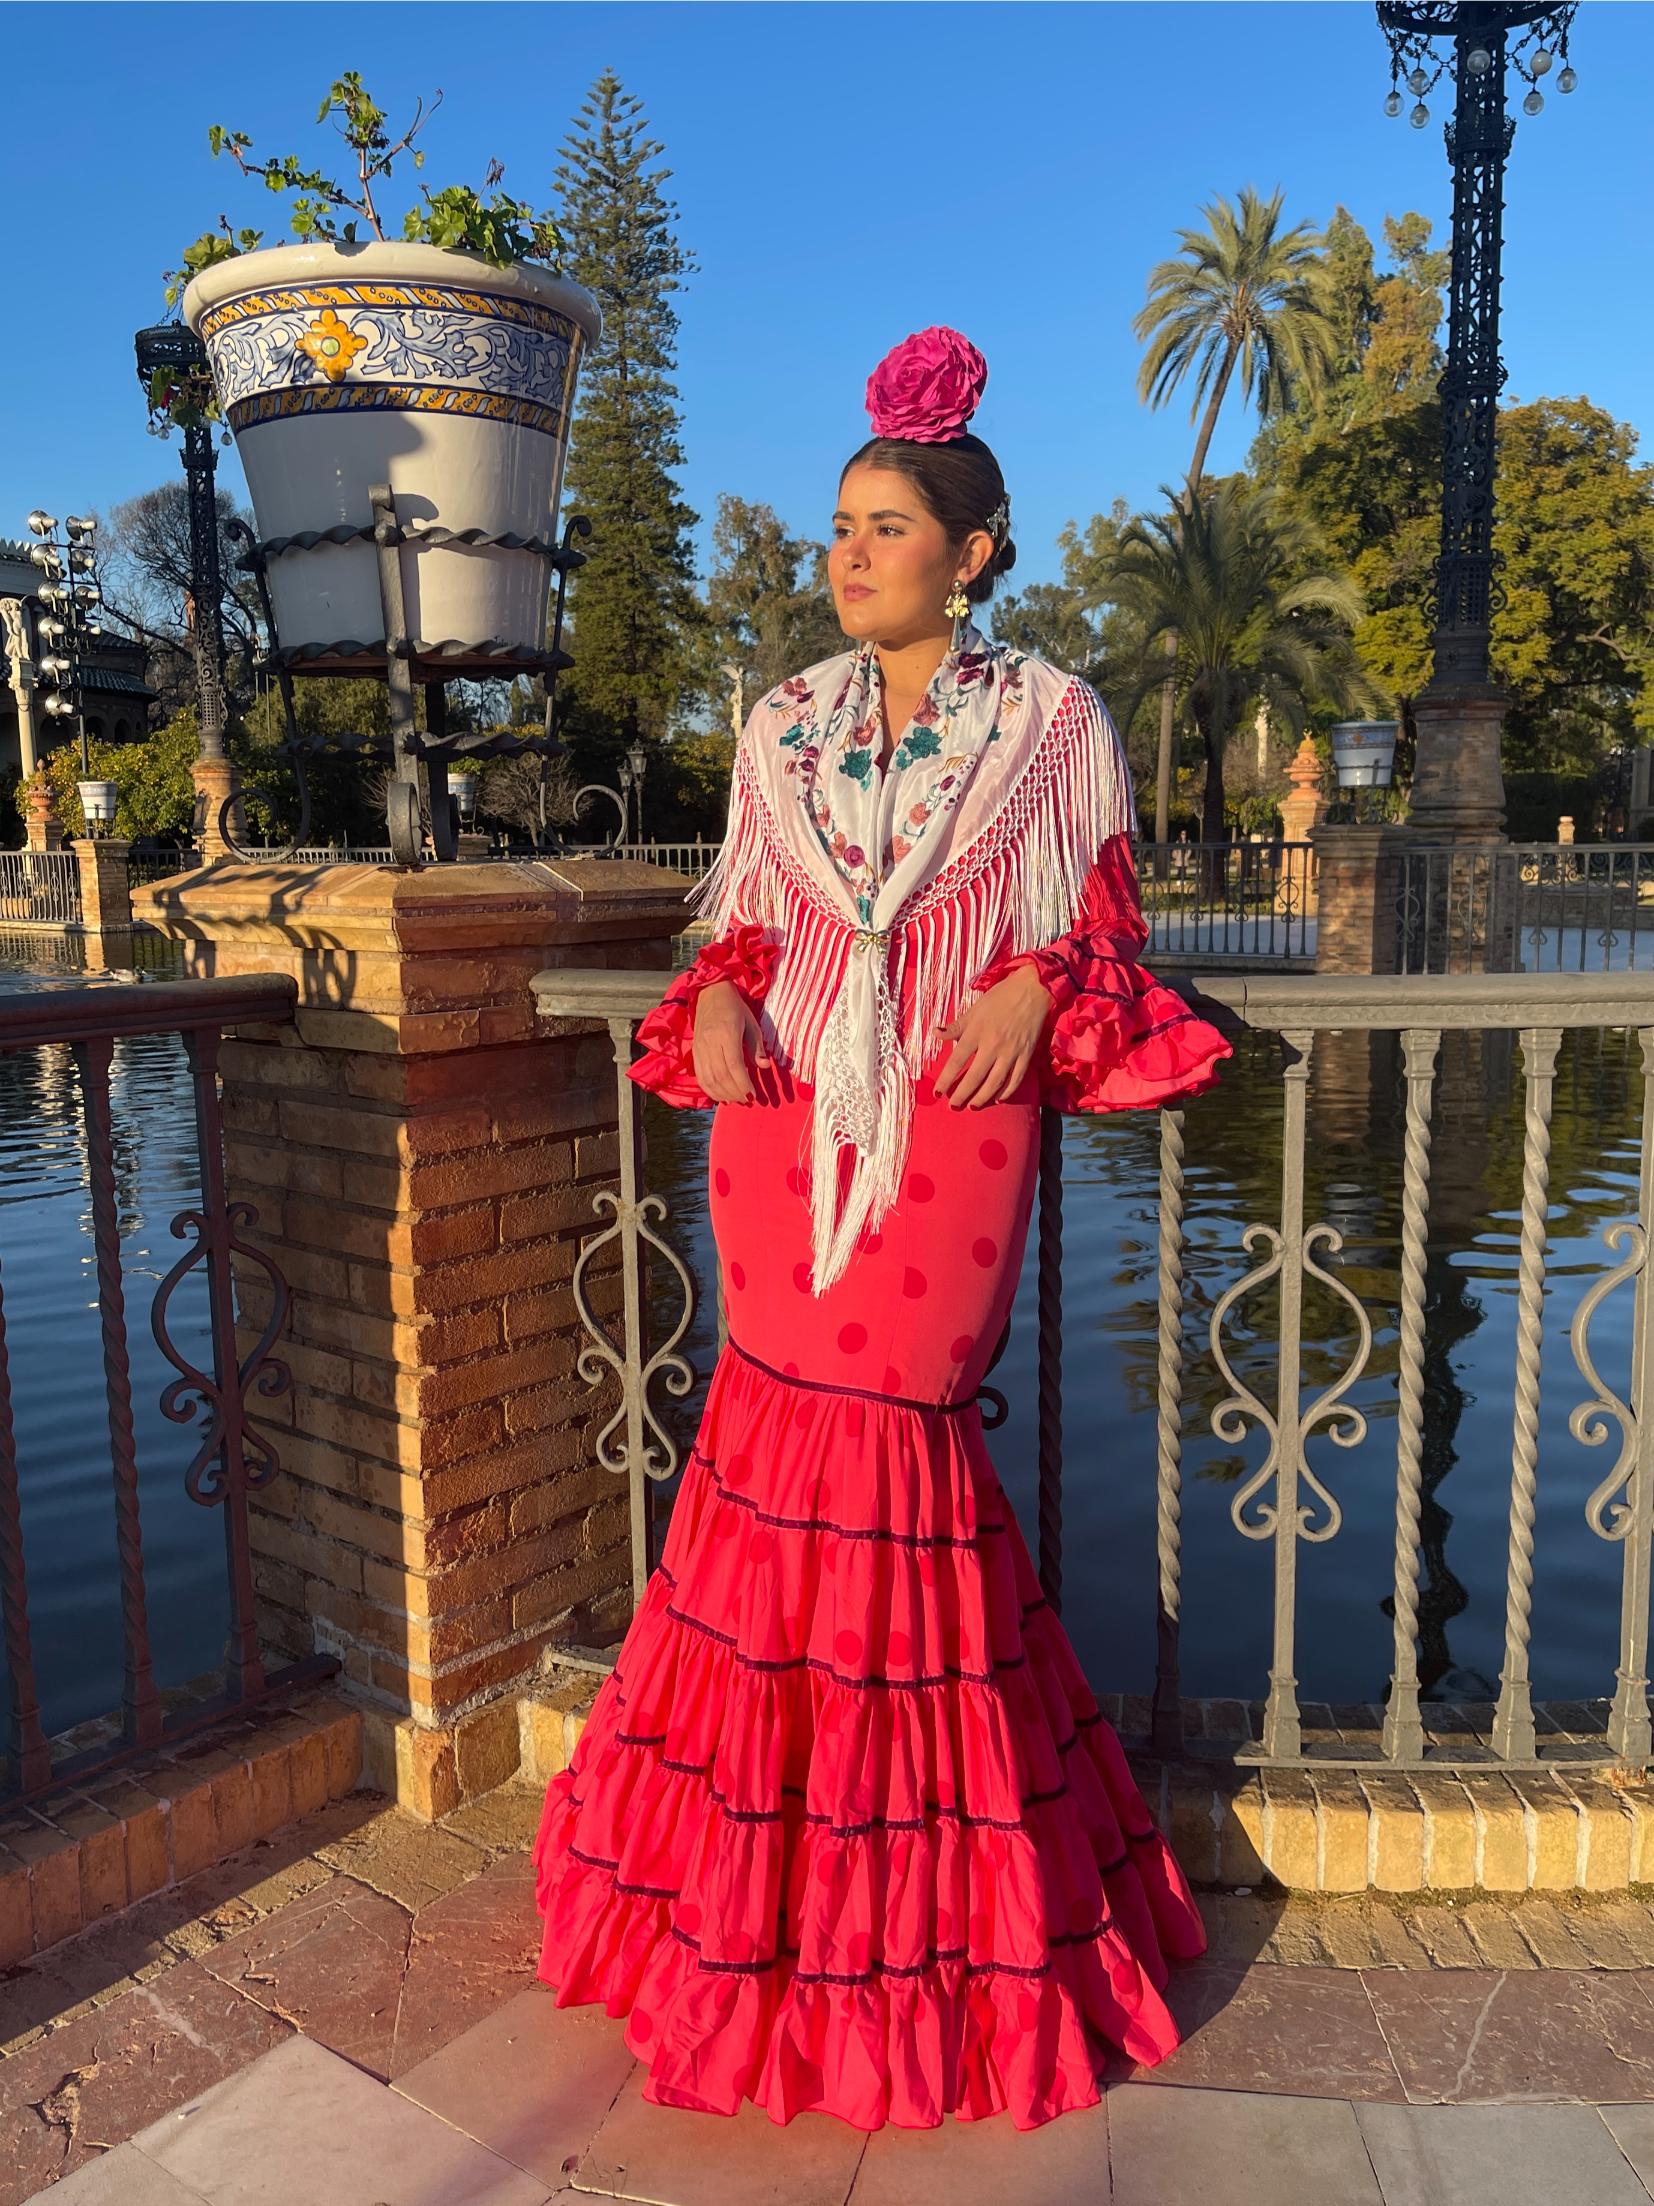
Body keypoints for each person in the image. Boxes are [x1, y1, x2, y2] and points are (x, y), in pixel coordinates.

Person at [532, 327, 1234, 2132]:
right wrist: (702, 1005)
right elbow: (748, 925)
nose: (850, 553)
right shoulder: (779, 725)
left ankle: (915, 1919)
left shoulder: (1052, 721)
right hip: (779, 1129)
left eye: (888, 525)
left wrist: (1035, 976)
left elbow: (1102, 923)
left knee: (895, 1459)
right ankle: (744, 1909)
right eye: (841, 526)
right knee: (767, 1449)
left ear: (972, 551)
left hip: (954, 1127)